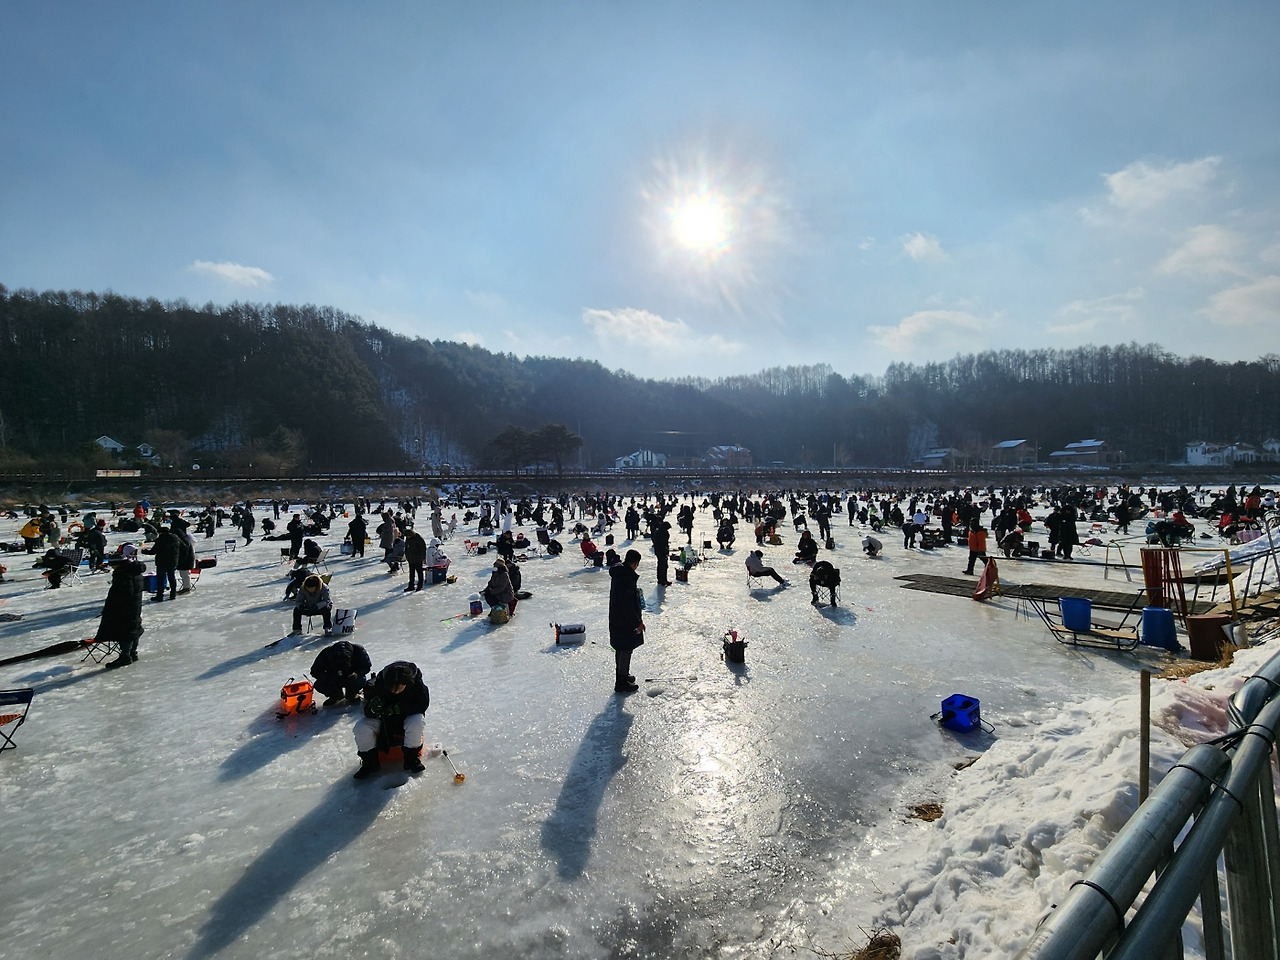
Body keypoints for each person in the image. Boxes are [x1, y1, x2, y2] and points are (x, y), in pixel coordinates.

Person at [352, 661, 431, 779]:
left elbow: (422, 705)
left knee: (417, 721)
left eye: (399, 689)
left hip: (406, 718)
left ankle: (411, 759)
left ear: (407, 683)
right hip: (385, 720)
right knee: (361, 727)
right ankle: (370, 762)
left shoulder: (417, 684)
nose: (395, 692)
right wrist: (372, 708)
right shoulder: (380, 683)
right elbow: (367, 710)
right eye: (392, 689)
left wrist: (399, 708)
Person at [609, 549, 646, 693]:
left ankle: (622, 675)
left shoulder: (620, 573)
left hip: (617, 618)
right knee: (625, 648)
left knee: (620, 647)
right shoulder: (627, 578)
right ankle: (621, 682)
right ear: (635, 564)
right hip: (624, 621)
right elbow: (628, 606)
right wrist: (637, 623)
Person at [100, 556, 147, 669]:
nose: (112, 568)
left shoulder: (124, 575)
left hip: (125, 607)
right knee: (134, 628)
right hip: (135, 605)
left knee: (125, 631)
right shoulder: (135, 571)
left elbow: (121, 594)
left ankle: (125, 656)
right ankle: (133, 653)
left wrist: (110, 608)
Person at [310, 640, 372, 707]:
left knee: (361, 680)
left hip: (351, 677)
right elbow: (314, 671)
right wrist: (327, 677)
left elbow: (367, 667)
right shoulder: (325, 654)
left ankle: (352, 693)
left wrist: (356, 673)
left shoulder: (359, 651)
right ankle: (335, 694)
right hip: (333, 678)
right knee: (319, 684)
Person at [148, 524, 179, 601]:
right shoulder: (175, 538)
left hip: (162, 562)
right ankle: (173, 594)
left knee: (160, 580)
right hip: (173, 561)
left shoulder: (160, 540)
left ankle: (160, 596)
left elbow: (153, 551)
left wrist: (144, 551)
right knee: (172, 578)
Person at [651, 516, 672, 586]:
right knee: (663, 566)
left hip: (658, 551)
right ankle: (663, 580)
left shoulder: (658, 531)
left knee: (660, 565)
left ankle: (660, 579)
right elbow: (663, 544)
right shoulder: (663, 533)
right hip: (662, 551)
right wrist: (666, 551)